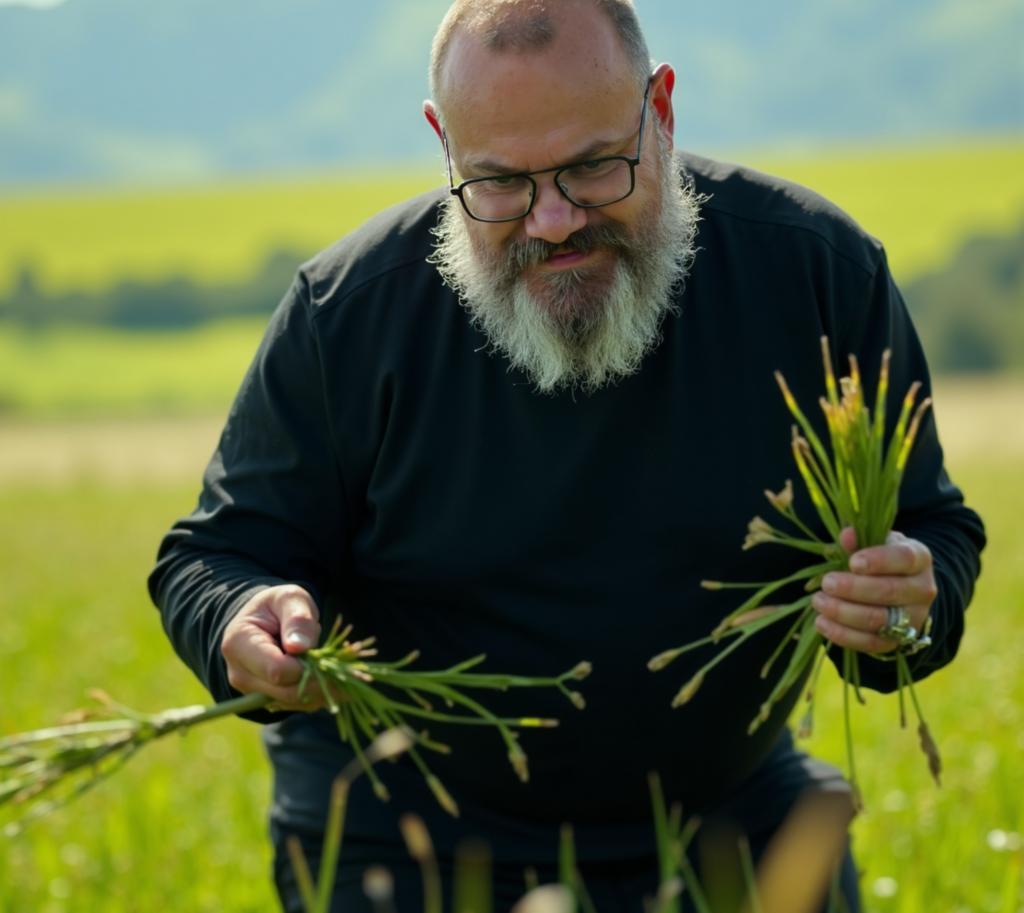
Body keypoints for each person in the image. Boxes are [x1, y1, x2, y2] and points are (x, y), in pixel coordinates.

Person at [149, 1, 985, 910]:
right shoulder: (346, 315)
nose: (552, 220)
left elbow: (929, 528)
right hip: (409, 824)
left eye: (593, 167)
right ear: (444, 144)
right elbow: (213, 556)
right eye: (499, 182)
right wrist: (243, 614)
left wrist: (901, 610)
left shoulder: (817, 273)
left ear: (659, 110)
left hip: (732, 811)